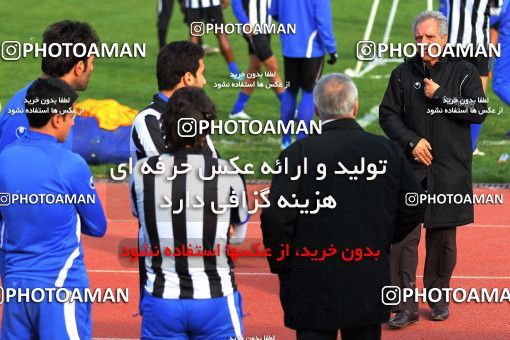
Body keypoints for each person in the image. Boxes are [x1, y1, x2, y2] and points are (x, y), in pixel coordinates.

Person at [261, 73, 426, 340]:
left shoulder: (296, 154)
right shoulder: (386, 151)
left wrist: (283, 264)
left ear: (316, 110)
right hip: (366, 273)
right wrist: (386, 236)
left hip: (310, 277)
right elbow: (414, 203)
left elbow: (276, 218)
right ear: (356, 107)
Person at [379, 11, 487, 328]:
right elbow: (388, 116)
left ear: (444, 39)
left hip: (450, 170)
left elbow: (478, 111)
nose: (423, 44)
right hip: (411, 172)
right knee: (401, 242)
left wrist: (439, 95)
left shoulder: (465, 71)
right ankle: (404, 306)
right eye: (418, 38)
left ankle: (438, 298)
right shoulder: (401, 74)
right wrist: (411, 142)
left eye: (429, 38)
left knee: (443, 242)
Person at [132, 87, 248, 339]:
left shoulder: (142, 171)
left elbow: (140, 217)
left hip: (162, 301)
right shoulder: (227, 172)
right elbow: (238, 236)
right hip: (215, 298)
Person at [0, 78, 107, 338]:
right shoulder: (71, 164)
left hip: (16, 287)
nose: (73, 121)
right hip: (60, 287)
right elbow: (97, 226)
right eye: (71, 114)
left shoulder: (4, 159)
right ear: (56, 119)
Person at [0, 20, 99, 154]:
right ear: (79, 67)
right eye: (91, 62)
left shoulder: (58, 103)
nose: (92, 68)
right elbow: (10, 171)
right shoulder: (26, 115)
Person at [130, 40, 217, 166]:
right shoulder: (149, 120)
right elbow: (170, 174)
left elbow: (215, 166)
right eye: (201, 74)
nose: (204, 81)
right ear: (188, 78)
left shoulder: (193, 117)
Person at [269, 0, 337, 148]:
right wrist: (332, 49)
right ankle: (301, 139)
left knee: (291, 92)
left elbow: (273, 11)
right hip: (311, 48)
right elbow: (323, 20)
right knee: (308, 92)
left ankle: (285, 139)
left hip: (289, 47)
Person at [440, 0, 503, 155]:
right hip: (479, 47)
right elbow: (497, 12)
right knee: (476, 101)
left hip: (454, 45)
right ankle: (469, 146)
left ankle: (453, 146)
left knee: (450, 97)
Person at [229, 0, 285, 119]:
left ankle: (237, 109)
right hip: (253, 29)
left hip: (266, 28)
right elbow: (236, 3)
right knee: (272, 67)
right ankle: (289, 108)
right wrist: (245, 22)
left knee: (254, 68)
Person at [185, 0, 242, 77]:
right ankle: (235, 72)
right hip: (213, 3)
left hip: (192, 4)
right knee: (221, 34)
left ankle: (194, 72)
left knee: (194, 36)